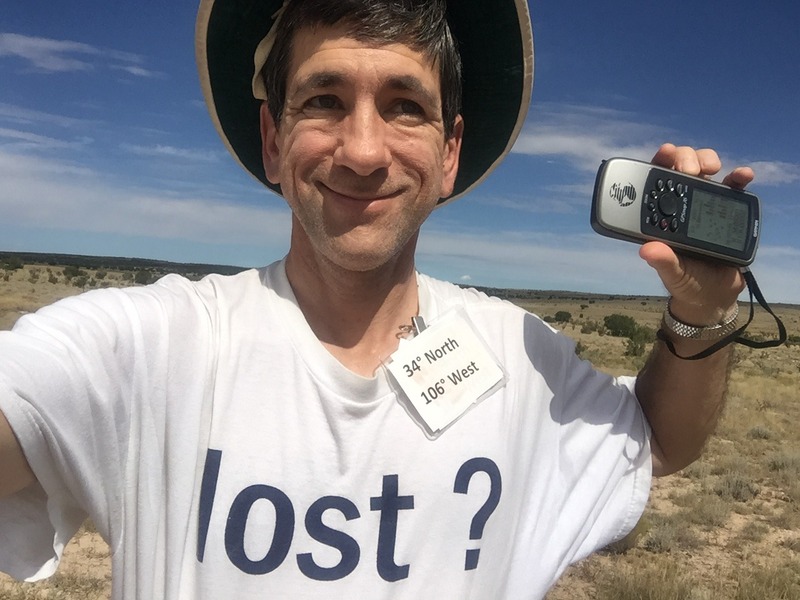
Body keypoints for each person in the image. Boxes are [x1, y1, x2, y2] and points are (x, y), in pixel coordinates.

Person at [0, 0, 754, 598]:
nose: (362, 151)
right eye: (324, 99)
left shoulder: (522, 358)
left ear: (449, 152)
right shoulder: (147, 346)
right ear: (273, 140)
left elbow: (656, 442)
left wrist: (700, 309)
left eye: (404, 106)